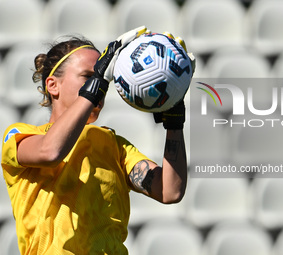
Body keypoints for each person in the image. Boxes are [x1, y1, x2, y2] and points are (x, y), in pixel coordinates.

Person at [1, 26, 193, 254]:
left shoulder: (113, 144)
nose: (101, 87)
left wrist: (173, 123)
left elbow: (170, 191)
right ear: (53, 85)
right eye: (89, 77)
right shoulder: (20, 135)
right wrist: (95, 88)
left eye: (103, 79)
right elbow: (50, 151)